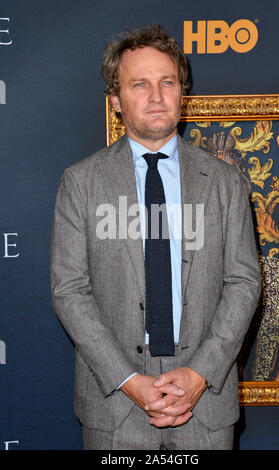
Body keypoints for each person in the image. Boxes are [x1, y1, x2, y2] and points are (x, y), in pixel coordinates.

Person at [50, 24, 261, 450]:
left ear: (182, 94)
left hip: (205, 404)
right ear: (116, 100)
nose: (156, 95)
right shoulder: (81, 182)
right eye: (139, 84)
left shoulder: (223, 182)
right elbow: (69, 290)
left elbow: (244, 282)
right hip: (114, 407)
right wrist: (128, 381)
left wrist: (201, 373)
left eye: (167, 82)